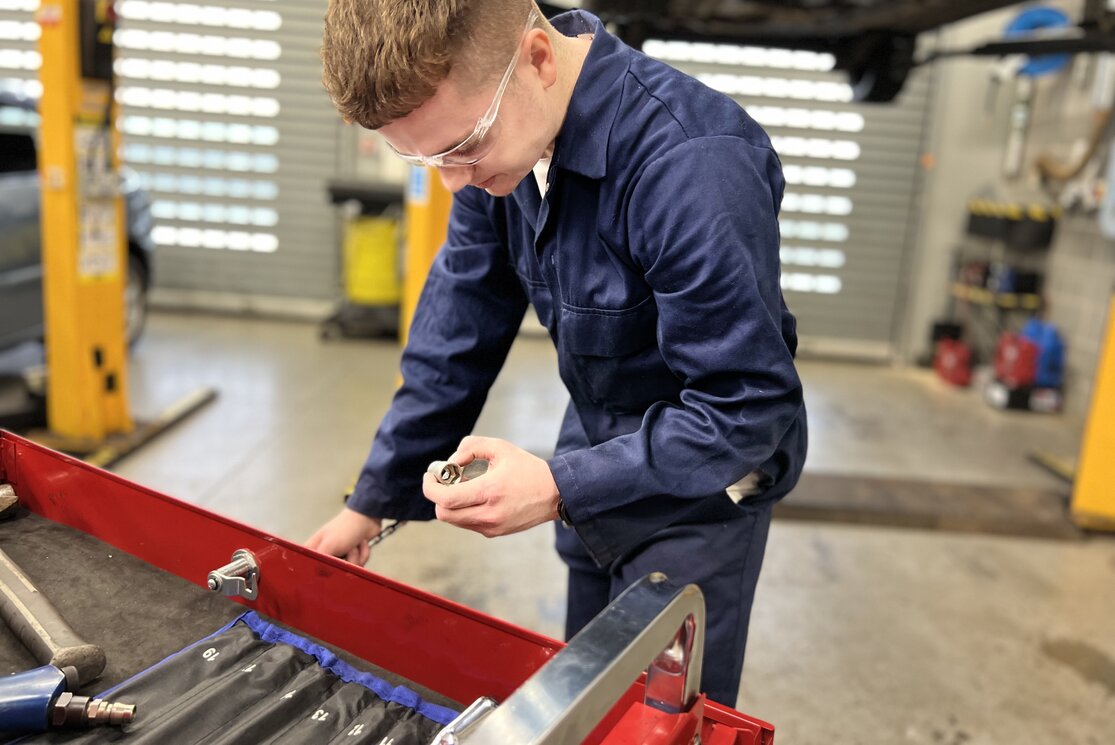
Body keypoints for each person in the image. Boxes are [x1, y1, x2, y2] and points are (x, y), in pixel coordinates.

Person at [306, 0, 808, 707]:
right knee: (589, 702)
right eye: (422, 158)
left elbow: (746, 408)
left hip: (701, 492)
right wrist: (372, 500)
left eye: (460, 147)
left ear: (539, 57)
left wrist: (558, 487)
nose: (452, 180)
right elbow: (456, 333)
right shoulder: (498, 141)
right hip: (592, 462)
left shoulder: (692, 166)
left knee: (655, 717)